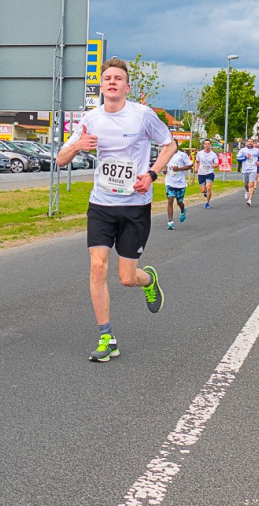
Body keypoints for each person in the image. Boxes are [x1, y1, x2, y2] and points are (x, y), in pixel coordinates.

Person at [55, 57, 175, 363]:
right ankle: (107, 337)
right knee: (97, 267)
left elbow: (169, 145)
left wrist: (151, 174)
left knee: (125, 277)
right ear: (101, 85)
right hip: (101, 204)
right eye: (107, 78)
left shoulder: (142, 115)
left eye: (117, 78)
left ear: (126, 86)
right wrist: (78, 146)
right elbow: (60, 160)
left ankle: (148, 279)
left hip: (135, 206)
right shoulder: (90, 119)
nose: (111, 82)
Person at [164, 146, 193, 229]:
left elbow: (190, 165)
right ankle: (170, 222)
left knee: (179, 202)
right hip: (169, 182)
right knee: (170, 199)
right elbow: (165, 165)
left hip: (180, 183)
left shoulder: (182, 155)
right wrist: (165, 170)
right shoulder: (166, 154)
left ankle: (183, 210)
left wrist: (179, 169)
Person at [236, 138, 259, 206]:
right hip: (245, 169)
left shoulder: (256, 150)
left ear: (253, 143)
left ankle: (250, 200)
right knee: (245, 184)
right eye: (249, 142)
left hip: (253, 169)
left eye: (251, 142)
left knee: (251, 184)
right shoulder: (243, 150)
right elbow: (238, 159)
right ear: (246, 143)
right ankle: (247, 191)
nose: (250, 143)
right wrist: (245, 157)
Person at [194, 139, 219, 208]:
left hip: (210, 173)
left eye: (208, 144)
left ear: (210, 145)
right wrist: (196, 168)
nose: (207, 145)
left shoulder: (213, 154)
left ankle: (207, 203)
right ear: (204, 145)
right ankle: (205, 193)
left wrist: (215, 165)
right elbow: (197, 161)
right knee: (203, 190)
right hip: (201, 173)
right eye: (206, 144)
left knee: (208, 188)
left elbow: (217, 163)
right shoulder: (199, 153)